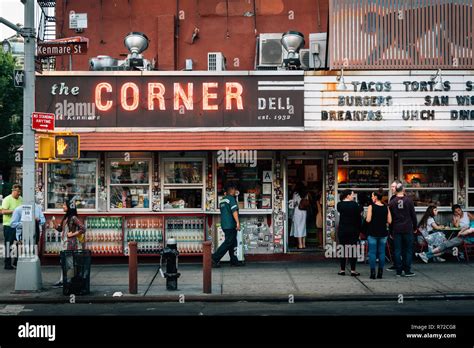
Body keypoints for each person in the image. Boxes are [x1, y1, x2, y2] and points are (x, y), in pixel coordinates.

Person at [53, 200, 86, 287]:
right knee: (63, 262)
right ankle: (63, 280)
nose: (63, 206)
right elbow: (60, 230)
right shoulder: (66, 218)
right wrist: (54, 223)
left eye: (64, 205)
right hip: (64, 243)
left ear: (69, 207)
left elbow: (83, 228)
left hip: (70, 244)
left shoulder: (73, 218)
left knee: (70, 263)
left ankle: (69, 281)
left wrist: (73, 234)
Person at [212, 182, 244, 267]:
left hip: (225, 224)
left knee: (233, 242)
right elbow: (234, 211)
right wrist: (237, 223)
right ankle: (214, 258)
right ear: (232, 190)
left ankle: (234, 260)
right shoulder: (231, 199)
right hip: (230, 225)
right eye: (234, 189)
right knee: (228, 242)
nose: (235, 191)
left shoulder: (222, 200)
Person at [389, 183, 417, 277]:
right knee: (408, 250)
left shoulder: (392, 202)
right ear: (403, 189)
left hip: (396, 228)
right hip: (408, 228)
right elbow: (413, 215)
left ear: (396, 190)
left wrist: (390, 230)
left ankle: (398, 271)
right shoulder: (409, 200)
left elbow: (391, 218)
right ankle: (407, 270)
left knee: (397, 250)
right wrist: (415, 227)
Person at [366, 189, 392, 279]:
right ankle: (380, 272)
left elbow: (368, 220)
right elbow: (390, 221)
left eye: (373, 196)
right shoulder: (386, 207)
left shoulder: (371, 207)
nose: (372, 197)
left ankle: (373, 273)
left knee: (372, 253)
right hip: (383, 233)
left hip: (372, 232)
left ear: (376, 197)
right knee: (381, 253)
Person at [337, 189, 361, 276]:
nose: (353, 197)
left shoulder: (339, 205)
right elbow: (358, 217)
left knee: (342, 249)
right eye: (352, 195)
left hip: (343, 230)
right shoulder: (355, 205)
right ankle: (353, 270)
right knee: (353, 250)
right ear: (348, 195)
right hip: (353, 230)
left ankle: (342, 269)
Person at [1, 184, 23, 270]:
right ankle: (7, 264)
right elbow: (3, 211)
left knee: (19, 244)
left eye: (20, 191)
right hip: (9, 225)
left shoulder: (21, 199)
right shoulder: (7, 199)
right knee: (8, 244)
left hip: (19, 225)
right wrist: (15, 211)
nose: (19, 193)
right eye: (17, 191)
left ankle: (17, 262)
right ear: (13, 191)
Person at [290, 182, 308, 249]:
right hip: (304, 211)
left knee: (298, 227)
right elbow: (307, 202)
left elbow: (293, 203)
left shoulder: (295, 194)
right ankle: (304, 244)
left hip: (297, 211)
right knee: (303, 227)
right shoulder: (306, 194)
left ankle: (300, 244)